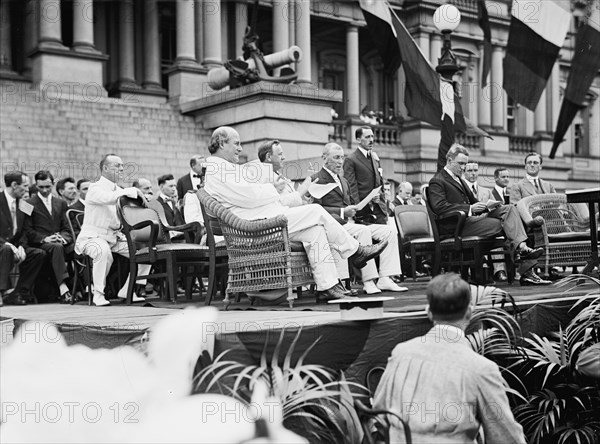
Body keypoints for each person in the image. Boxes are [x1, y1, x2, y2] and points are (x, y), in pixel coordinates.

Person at [202, 126, 388, 302]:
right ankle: (355, 251)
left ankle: (328, 288)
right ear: (221, 143)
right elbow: (249, 197)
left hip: (262, 219)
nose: (240, 149)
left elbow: (249, 195)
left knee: (315, 231)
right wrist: (272, 187)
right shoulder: (218, 169)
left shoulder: (224, 168)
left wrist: (270, 189)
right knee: (316, 210)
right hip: (253, 226)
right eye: (236, 143)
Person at [373, 273, 526, 443]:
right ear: (469, 311)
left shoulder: (401, 353)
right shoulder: (481, 368)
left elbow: (380, 412)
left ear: (429, 312)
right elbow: (505, 437)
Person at [428, 144, 550, 286]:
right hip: (457, 227)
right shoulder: (437, 180)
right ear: (449, 161)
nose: (463, 168)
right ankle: (525, 261)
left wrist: (488, 206)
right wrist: (469, 208)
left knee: (509, 209)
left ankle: (522, 248)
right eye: (460, 163)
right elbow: (439, 207)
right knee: (508, 224)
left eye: (465, 164)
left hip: (470, 221)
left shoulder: (458, 179)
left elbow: (475, 203)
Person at [311, 143, 407, 294]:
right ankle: (368, 281)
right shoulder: (316, 179)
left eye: (342, 157)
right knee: (363, 231)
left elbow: (351, 205)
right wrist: (343, 212)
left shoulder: (344, 181)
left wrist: (364, 204)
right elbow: (315, 210)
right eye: (336, 157)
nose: (340, 161)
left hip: (351, 223)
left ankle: (385, 278)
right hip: (334, 227)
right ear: (324, 158)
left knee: (389, 231)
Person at [75, 154, 148, 306]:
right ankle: (98, 294)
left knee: (147, 253)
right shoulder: (94, 188)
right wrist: (133, 190)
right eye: (117, 166)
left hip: (114, 238)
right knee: (103, 251)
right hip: (92, 238)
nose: (121, 169)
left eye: (122, 165)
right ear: (105, 168)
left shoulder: (120, 190)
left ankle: (128, 290)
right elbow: (109, 198)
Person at [26, 170, 74, 303]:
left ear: (53, 184)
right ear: (36, 185)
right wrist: (44, 238)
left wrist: (62, 238)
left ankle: (87, 287)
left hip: (59, 242)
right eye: (41, 187)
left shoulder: (61, 203)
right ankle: (63, 287)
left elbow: (66, 227)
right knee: (56, 247)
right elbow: (27, 230)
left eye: (48, 187)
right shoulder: (27, 203)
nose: (45, 190)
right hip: (40, 243)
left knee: (69, 246)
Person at [0, 171, 45, 306]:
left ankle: (18, 292)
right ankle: (1, 291)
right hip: (2, 245)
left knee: (38, 254)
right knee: (6, 250)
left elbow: (25, 230)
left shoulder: (25, 205)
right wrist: (7, 244)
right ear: (14, 185)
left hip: (15, 246)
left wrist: (21, 246)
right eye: (25, 186)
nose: (27, 189)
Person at [343, 126, 388, 225]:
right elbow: (351, 188)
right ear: (358, 140)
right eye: (367, 137)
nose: (371, 140)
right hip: (364, 213)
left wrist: (381, 199)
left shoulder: (374, 158)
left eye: (372, 136)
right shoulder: (351, 160)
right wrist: (358, 210)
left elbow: (380, 183)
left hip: (380, 210)